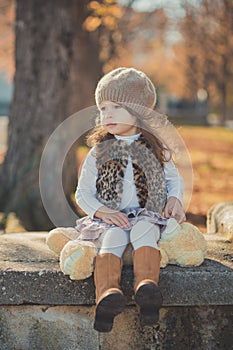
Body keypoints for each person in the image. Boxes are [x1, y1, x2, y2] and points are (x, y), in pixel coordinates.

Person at [75, 67, 186, 333]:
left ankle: (147, 289)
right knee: (113, 240)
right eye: (103, 107)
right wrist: (101, 212)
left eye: (117, 106)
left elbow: (174, 179)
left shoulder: (157, 148)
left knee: (145, 232)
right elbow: (83, 193)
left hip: (145, 213)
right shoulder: (98, 152)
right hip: (113, 218)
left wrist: (174, 199)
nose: (107, 114)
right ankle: (107, 294)